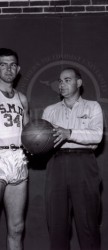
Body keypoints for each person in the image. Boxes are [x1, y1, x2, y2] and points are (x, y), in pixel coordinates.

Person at [42, 67, 103, 250]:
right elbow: (44, 142)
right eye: (60, 81)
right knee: (57, 224)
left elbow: (97, 136)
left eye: (67, 80)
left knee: (88, 224)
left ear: (79, 82)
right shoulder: (50, 111)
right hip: (56, 163)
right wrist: (34, 147)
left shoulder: (93, 106)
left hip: (84, 163)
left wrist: (69, 133)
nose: (62, 84)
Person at [0, 48, 29, 250]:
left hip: (18, 158)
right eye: (3, 64)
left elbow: (28, 132)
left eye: (12, 65)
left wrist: (37, 142)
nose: (8, 69)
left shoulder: (22, 99)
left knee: (17, 227)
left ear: (18, 69)